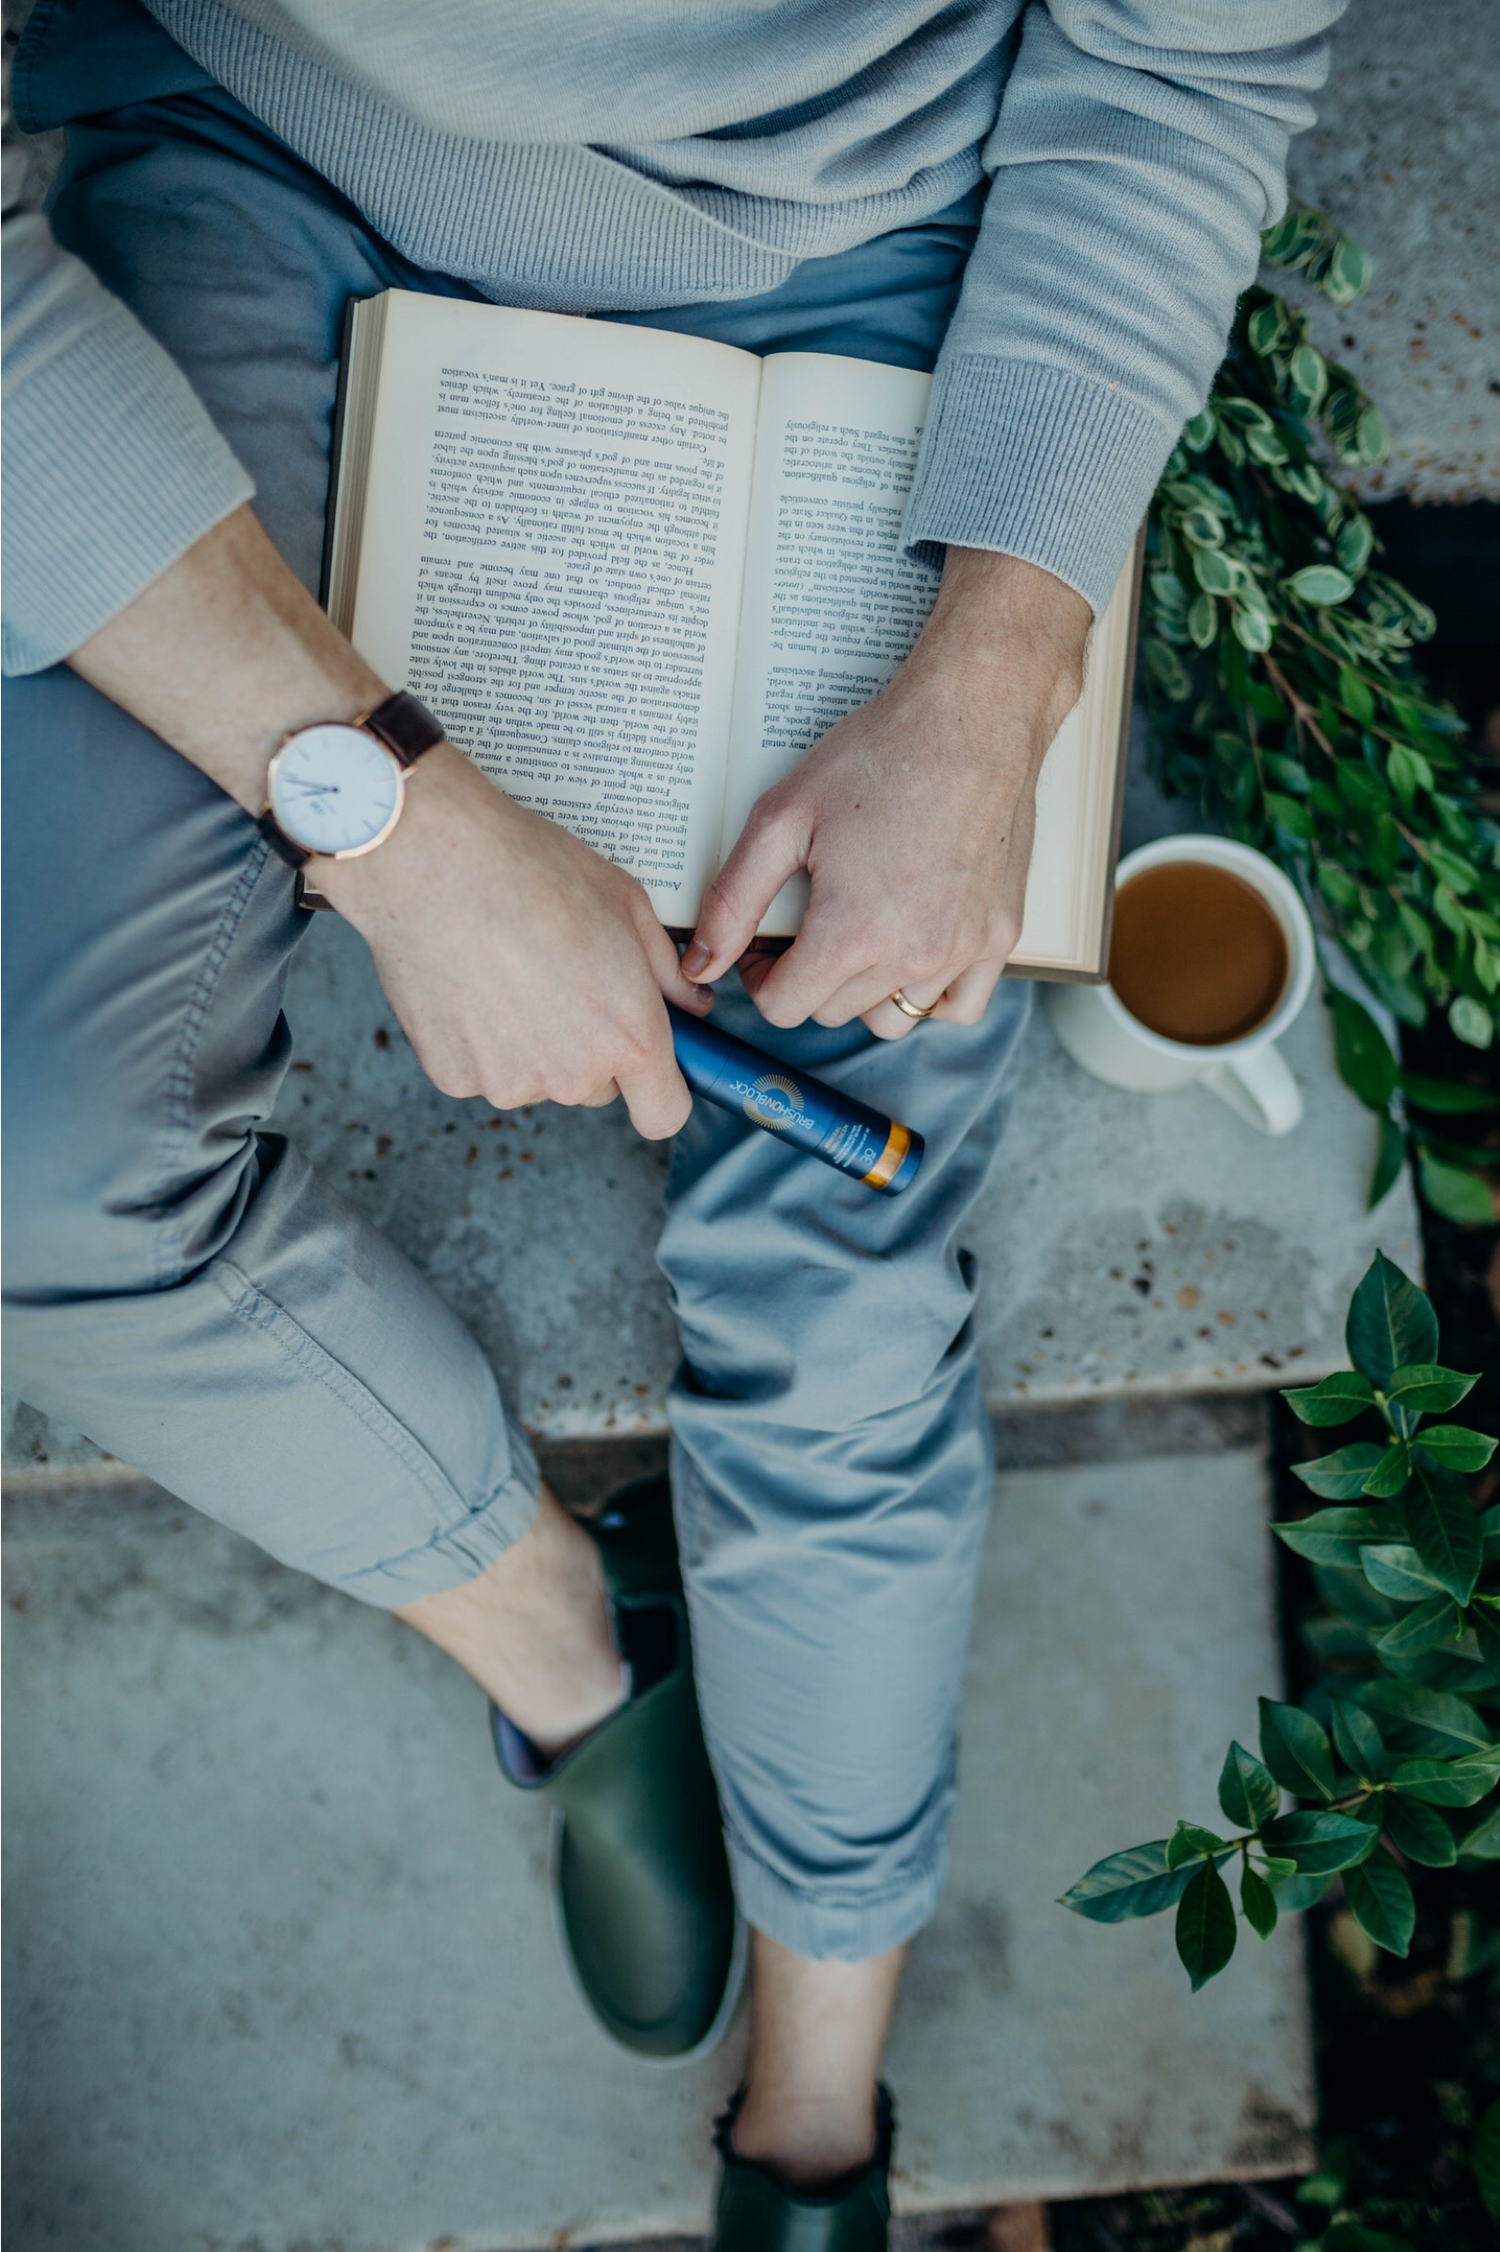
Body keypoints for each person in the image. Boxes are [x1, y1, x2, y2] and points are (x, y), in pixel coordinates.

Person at [2, 1, 1341, 2240]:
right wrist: (393, 821)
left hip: (875, 235)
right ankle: (567, 1637)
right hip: (247, 164)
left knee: (835, 1261)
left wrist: (999, 674)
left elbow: (1187, 65)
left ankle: (813, 2119)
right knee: (43, 1149)